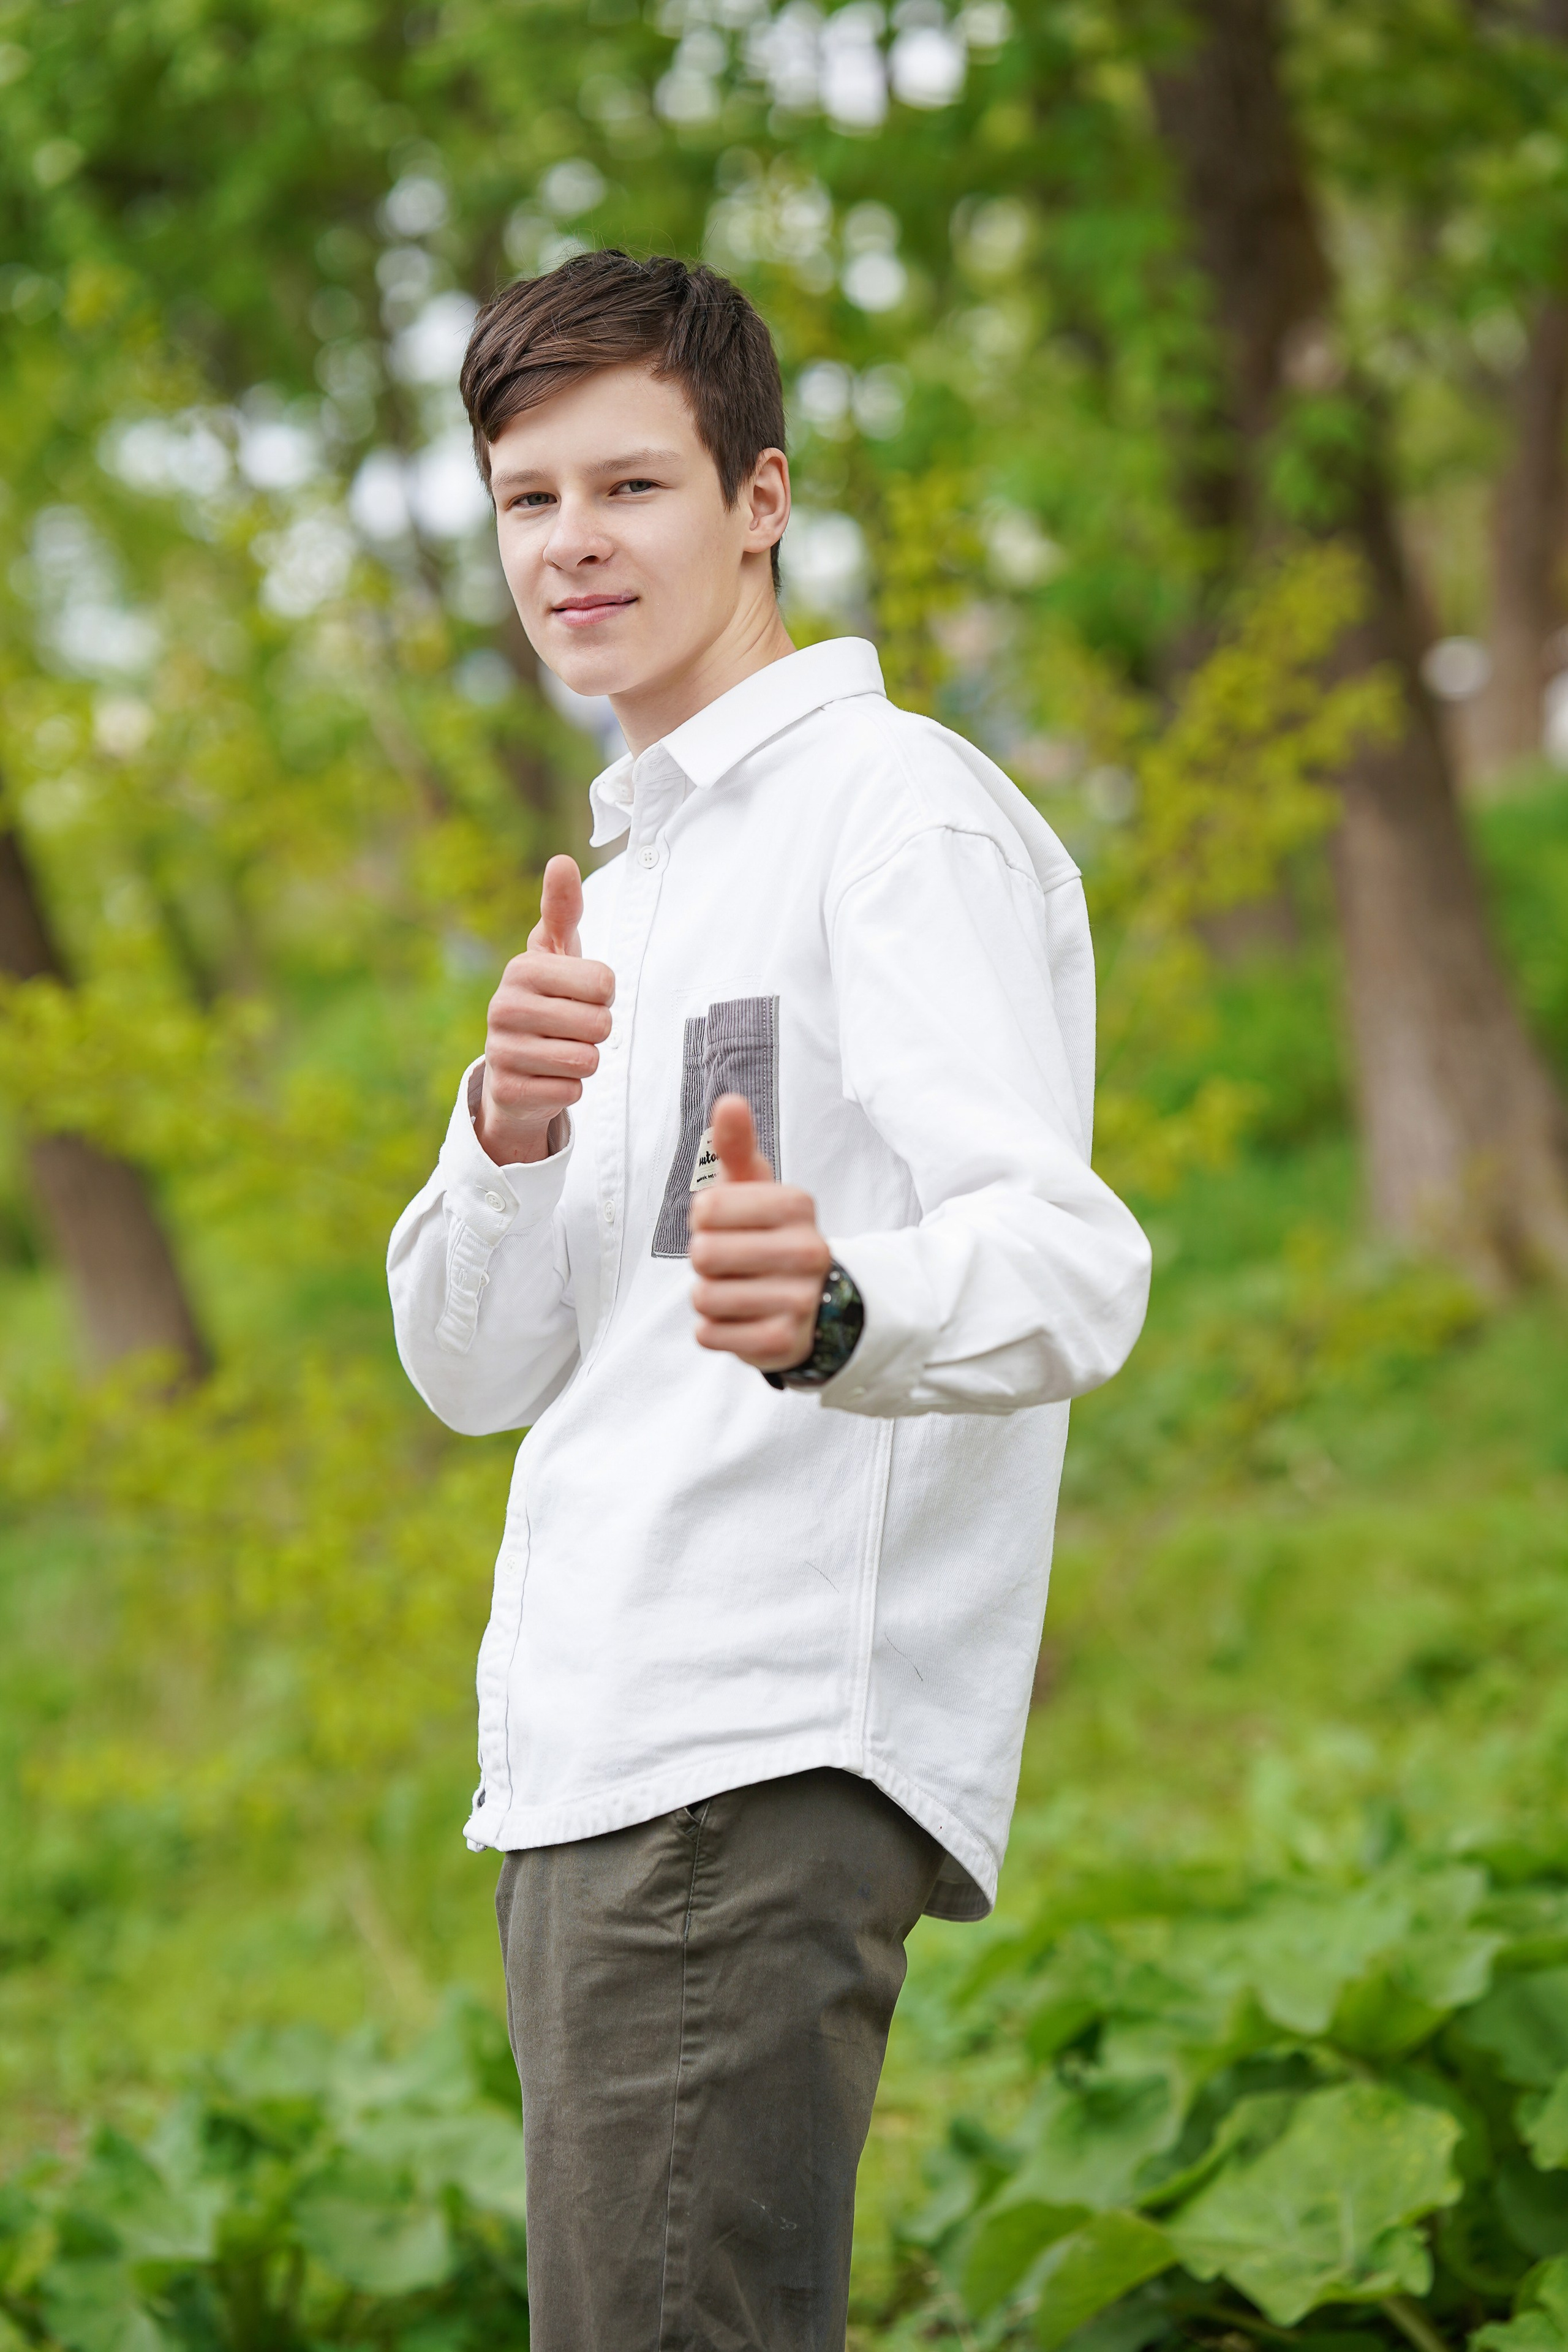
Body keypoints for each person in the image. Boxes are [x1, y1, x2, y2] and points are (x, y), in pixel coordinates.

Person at [387, 248, 1151, 2352]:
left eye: (628, 487)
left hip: (748, 1744)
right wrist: (504, 1127)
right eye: (528, 500)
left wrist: (836, 1306)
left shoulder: (890, 816)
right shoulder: (623, 887)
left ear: (760, 499)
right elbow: (474, 1375)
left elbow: (1074, 1262)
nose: (572, 547)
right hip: (587, 1759)